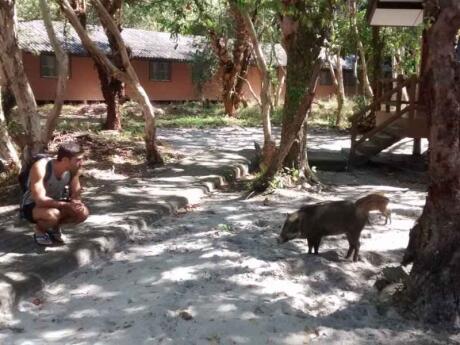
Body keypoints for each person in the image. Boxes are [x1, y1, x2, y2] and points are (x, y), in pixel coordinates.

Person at [20, 142, 89, 245]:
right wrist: (66, 204)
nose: (82, 163)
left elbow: (76, 193)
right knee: (52, 214)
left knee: (82, 213)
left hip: (56, 202)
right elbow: (40, 200)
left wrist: (76, 203)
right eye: (78, 160)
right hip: (32, 205)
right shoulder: (41, 167)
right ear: (65, 160)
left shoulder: (74, 170)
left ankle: (54, 228)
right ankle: (40, 230)